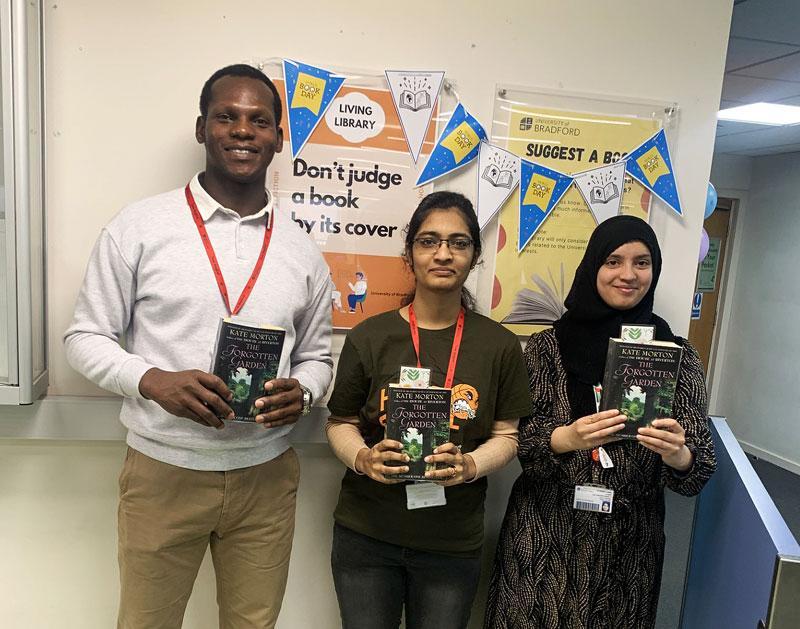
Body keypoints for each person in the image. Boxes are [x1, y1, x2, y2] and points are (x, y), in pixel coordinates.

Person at [64, 64, 332, 628]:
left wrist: (305, 392)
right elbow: (84, 337)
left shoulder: (302, 250)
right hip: (164, 472)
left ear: (278, 139)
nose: (242, 131)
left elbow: (317, 357)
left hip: (265, 476)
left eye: (259, 121)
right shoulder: (139, 226)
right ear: (201, 128)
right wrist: (152, 380)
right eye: (226, 117)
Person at [485, 215, 716, 629]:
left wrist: (679, 453)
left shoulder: (676, 356)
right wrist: (565, 437)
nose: (628, 275)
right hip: (546, 532)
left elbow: (700, 468)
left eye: (641, 263)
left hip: (629, 544)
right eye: (613, 261)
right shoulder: (545, 348)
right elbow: (518, 440)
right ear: (593, 266)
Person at [325, 191, 531, 629]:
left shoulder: (499, 345)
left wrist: (471, 465)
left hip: (451, 542)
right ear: (410, 253)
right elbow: (340, 422)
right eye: (428, 241)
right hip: (368, 535)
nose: (443, 253)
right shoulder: (369, 337)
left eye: (458, 243)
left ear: (474, 256)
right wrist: (362, 458)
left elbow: (508, 435)